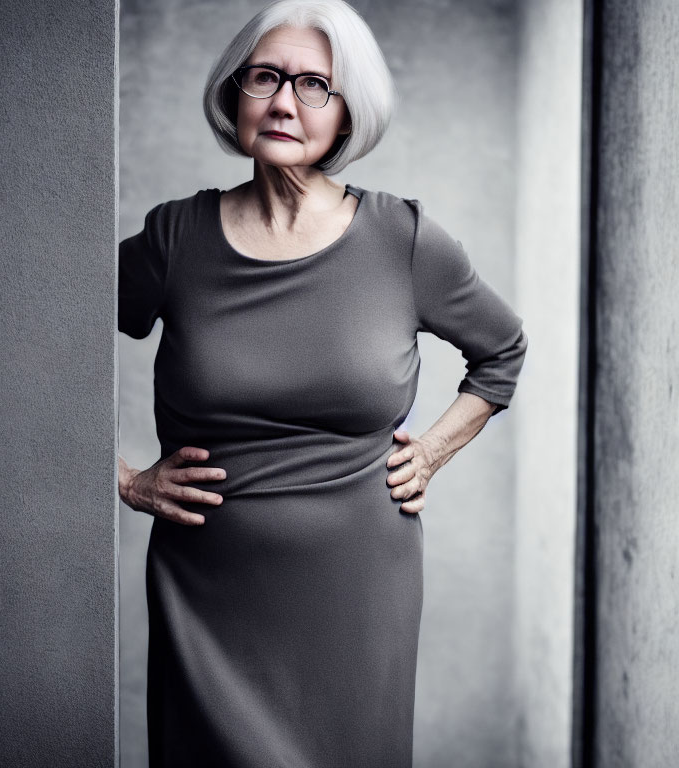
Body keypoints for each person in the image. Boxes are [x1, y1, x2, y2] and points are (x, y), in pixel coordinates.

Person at [117, 0, 528, 765]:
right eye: (265, 76)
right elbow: (45, 335)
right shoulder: (175, 239)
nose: (282, 101)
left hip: (358, 596)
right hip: (206, 593)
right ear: (234, 92)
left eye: (314, 85)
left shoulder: (403, 240)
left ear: (347, 116)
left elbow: (501, 351)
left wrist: (432, 451)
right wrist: (121, 477)